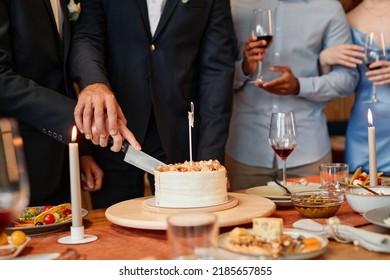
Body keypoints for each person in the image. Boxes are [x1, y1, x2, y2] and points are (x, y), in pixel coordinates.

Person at [70, 0, 235, 208]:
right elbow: (87, 36)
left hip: (182, 134)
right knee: (115, 231)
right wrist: (94, 83)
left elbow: (217, 70)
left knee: (186, 227)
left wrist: (211, 162)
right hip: (114, 131)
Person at [225, 0, 359, 190]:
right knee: (244, 219)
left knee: (315, 219)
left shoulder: (328, 8)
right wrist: (244, 68)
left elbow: (347, 78)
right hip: (244, 150)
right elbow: (215, 75)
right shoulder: (235, 7)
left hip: (308, 152)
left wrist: (299, 86)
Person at [0, 0, 104, 206]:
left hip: (61, 164)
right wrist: (76, 115)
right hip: (15, 168)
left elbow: (59, 77)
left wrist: (80, 150)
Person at [319, 0, 390, 176]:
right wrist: (322, 59)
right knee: (361, 191)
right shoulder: (343, 16)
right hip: (363, 126)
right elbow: (341, 80)